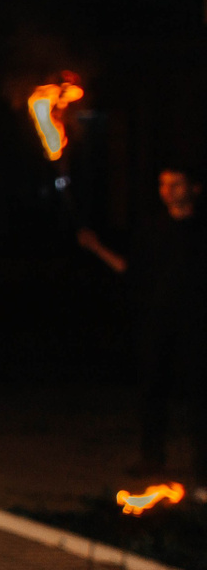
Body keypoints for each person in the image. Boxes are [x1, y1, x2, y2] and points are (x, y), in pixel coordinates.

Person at [78, 166, 207, 493]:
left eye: (176, 184)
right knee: (152, 389)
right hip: (157, 322)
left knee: (199, 394)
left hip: (195, 323)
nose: (168, 190)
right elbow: (130, 269)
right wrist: (96, 248)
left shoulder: (201, 229)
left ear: (194, 188)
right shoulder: (153, 228)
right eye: (163, 184)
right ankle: (152, 457)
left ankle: (203, 464)